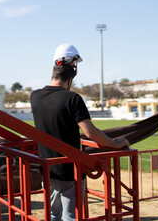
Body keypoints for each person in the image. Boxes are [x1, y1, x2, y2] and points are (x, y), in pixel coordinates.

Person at [30, 43, 130, 221]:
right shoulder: (73, 99)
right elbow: (91, 133)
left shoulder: (35, 96)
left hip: (46, 169)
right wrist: (116, 143)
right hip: (69, 171)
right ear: (72, 71)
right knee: (71, 217)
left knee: (52, 215)